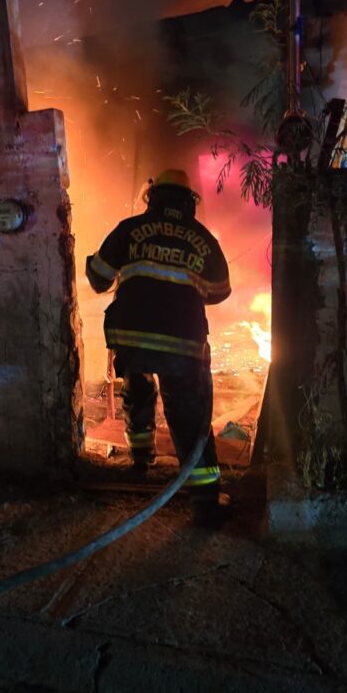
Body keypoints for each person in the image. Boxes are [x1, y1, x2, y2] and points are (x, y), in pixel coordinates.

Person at [86, 169, 232, 526]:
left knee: (137, 390)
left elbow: (99, 277)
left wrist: (101, 264)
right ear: (189, 203)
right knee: (187, 417)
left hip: (133, 337)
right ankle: (206, 505)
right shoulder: (203, 238)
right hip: (182, 343)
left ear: (152, 198)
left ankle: (140, 460)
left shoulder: (130, 228)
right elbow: (220, 290)